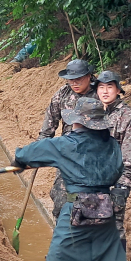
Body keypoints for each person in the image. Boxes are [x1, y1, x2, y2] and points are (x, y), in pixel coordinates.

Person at [14, 97, 131, 261]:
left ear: (78, 121)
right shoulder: (111, 144)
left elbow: (25, 155)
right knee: (111, 256)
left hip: (77, 208)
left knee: (61, 258)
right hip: (105, 207)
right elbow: (118, 169)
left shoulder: (65, 144)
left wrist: (21, 161)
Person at [39, 58, 95, 217]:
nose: (75, 83)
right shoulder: (63, 95)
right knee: (61, 199)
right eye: (71, 80)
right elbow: (49, 123)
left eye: (79, 79)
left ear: (89, 76)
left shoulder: (101, 94)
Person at [94, 70, 131, 244]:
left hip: (114, 184)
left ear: (118, 90)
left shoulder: (128, 117)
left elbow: (130, 157)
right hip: (93, 183)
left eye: (109, 87)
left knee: (114, 231)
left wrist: (122, 188)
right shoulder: (94, 113)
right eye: (101, 87)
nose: (105, 91)